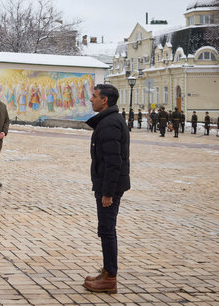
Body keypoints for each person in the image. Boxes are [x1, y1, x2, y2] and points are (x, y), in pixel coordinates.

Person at [84, 84, 130, 294]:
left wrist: (108, 193)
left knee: (107, 230)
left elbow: (113, 162)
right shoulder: (108, 120)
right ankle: (106, 271)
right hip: (105, 184)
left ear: (105, 100)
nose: (90, 99)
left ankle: (110, 277)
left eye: (94, 96)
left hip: (108, 187)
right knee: (106, 229)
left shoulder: (110, 124)